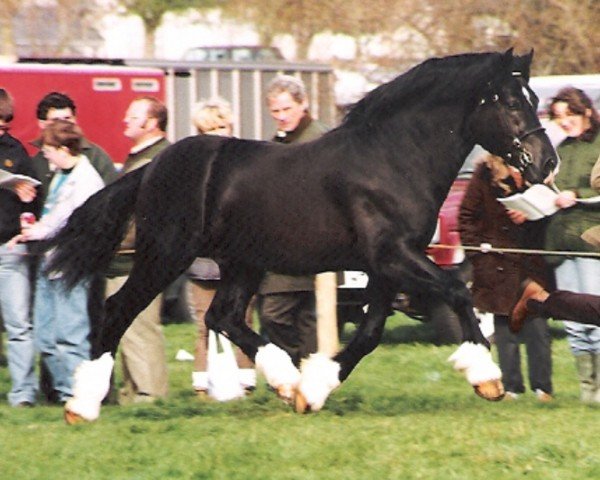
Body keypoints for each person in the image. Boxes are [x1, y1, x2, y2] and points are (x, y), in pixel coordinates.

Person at [9, 119, 104, 403]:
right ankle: (67, 393)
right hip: (51, 261)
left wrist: (32, 233)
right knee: (46, 337)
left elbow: (63, 220)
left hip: (70, 265)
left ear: (64, 148)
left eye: (48, 149)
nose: (45, 155)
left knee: (70, 335)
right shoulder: (61, 174)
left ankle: (80, 396)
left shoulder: (86, 180)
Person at [459, 153, 554, 401]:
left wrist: (531, 214)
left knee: (537, 326)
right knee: (505, 327)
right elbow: (466, 216)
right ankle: (512, 387)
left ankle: (543, 388)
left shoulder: (536, 169)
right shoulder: (485, 173)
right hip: (497, 264)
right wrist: (478, 256)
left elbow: (550, 208)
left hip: (530, 262)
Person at [256, 75, 329, 367]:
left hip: (310, 241)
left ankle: (300, 370)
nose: (282, 117)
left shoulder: (319, 139)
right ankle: (301, 373)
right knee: (295, 314)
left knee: (281, 312)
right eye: (275, 111)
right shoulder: (277, 142)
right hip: (282, 242)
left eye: (287, 109)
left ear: (304, 104)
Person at [187, 97, 257, 396]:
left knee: (243, 318)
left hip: (242, 259)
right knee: (205, 323)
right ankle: (202, 386)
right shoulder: (192, 170)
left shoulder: (248, 162)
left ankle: (247, 381)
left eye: (221, 126)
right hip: (204, 262)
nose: (217, 133)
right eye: (209, 129)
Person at [105, 96, 170, 404]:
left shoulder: (157, 161)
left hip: (136, 261)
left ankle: (150, 396)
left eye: (133, 117)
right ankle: (131, 393)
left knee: (140, 328)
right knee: (128, 327)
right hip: (124, 260)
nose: (125, 121)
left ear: (151, 123)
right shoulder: (140, 157)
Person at [543, 87, 600, 403]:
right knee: (574, 317)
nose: (564, 122)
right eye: (558, 117)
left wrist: (578, 197)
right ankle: (587, 390)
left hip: (591, 239)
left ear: (587, 112)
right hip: (560, 240)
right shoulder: (558, 149)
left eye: (569, 115)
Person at [0, 88, 41, 407]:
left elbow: (33, 200)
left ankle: (23, 393)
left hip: (8, 250)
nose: (3, 126)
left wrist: (26, 221)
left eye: (7, 120)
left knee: (19, 324)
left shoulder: (16, 150)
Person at [31, 92, 117, 195]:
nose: (63, 125)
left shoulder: (96, 157)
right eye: (56, 120)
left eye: (67, 119)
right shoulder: (35, 163)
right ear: (42, 124)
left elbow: (112, 196)